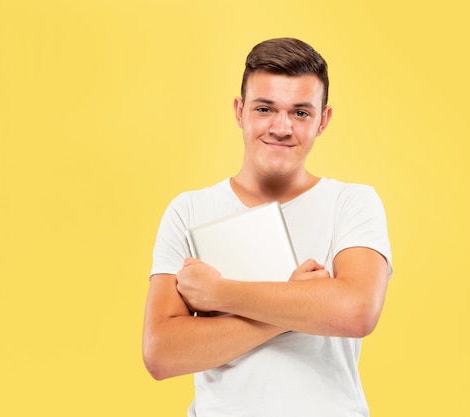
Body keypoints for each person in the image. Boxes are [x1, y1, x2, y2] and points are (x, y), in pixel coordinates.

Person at [142, 37, 393, 417]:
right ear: (240, 111)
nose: (281, 127)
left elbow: (356, 312)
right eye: (265, 108)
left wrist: (221, 292)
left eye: (301, 113)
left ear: (322, 121)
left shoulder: (352, 203)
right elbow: (161, 353)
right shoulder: (189, 210)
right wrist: (299, 304)